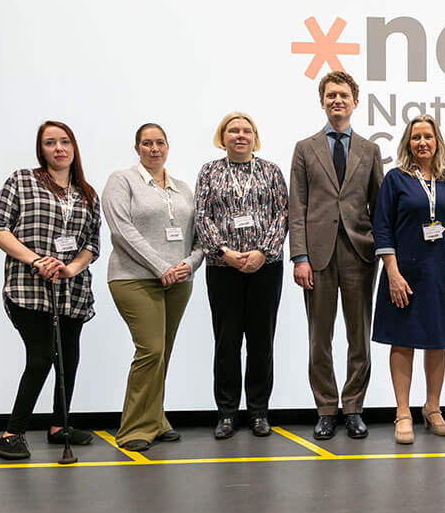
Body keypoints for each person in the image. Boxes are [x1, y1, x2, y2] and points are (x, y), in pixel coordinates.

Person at [0, 121, 101, 460]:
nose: (59, 148)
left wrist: (71, 268)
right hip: (29, 289)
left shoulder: (86, 193)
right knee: (41, 357)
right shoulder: (22, 180)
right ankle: (12, 433)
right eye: (50, 143)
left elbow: (92, 243)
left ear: (74, 147)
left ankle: (58, 426)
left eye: (65, 142)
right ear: (42, 150)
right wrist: (37, 260)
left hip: (72, 290)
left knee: (70, 357)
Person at [288, 71, 384, 440]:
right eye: (330, 95)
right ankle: (326, 408)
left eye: (343, 95)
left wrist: (380, 248)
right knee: (319, 337)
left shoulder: (370, 150)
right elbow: (297, 207)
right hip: (317, 255)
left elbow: (381, 206)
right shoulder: (305, 148)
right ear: (322, 101)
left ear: (355, 102)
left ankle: (354, 407)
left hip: (360, 253)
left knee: (359, 336)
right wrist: (300, 257)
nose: (336, 100)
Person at [102, 124, 204, 452]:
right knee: (151, 351)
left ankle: (156, 420)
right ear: (137, 148)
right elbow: (122, 230)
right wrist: (160, 267)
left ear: (168, 147)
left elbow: (199, 236)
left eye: (160, 142)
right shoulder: (122, 180)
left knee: (164, 353)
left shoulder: (184, 189)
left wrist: (188, 265)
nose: (154, 148)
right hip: (134, 278)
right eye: (147, 143)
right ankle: (133, 428)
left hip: (178, 281)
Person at [371, 116, 445, 444]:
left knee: (438, 340)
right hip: (404, 275)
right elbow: (382, 226)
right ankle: (403, 413)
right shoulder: (395, 179)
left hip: (441, 273)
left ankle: (432, 409)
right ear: (407, 143)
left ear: (437, 141)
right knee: (402, 341)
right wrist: (392, 272)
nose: (422, 142)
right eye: (416, 137)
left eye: (428, 136)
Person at [195, 112, 288, 439]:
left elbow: (281, 216)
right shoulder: (209, 172)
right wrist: (224, 253)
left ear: (254, 136)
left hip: (266, 268)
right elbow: (202, 217)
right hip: (223, 269)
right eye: (233, 130)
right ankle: (227, 413)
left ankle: (259, 412)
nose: (240, 135)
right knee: (227, 341)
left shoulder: (271, 172)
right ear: (223, 136)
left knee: (262, 342)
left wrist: (262, 251)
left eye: (246, 130)